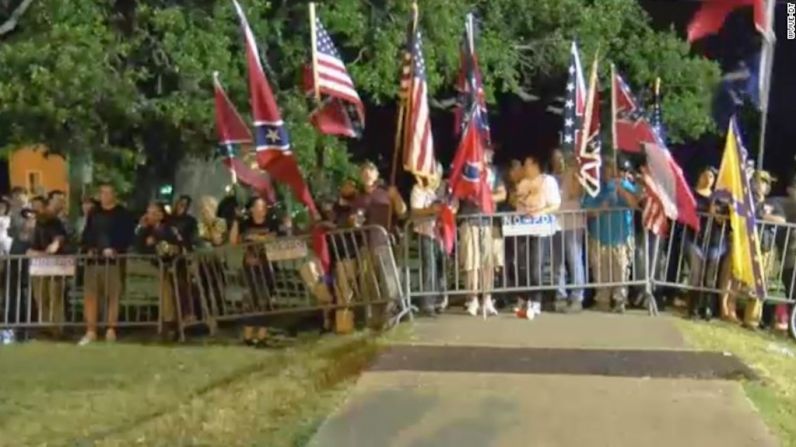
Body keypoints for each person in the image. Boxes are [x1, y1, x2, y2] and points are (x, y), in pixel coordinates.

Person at [79, 183, 135, 345]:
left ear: (114, 195)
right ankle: (91, 330)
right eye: (102, 192)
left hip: (114, 261)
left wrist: (116, 249)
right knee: (91, 295)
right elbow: (87, 234)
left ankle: (111, 328)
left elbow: (127, 236)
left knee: (113, 296)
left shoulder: (123, 214)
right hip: (94, 260)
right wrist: (88, 248)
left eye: (108, 193)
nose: (104, 196)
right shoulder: (94, 213)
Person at [352, 162, 406, 325]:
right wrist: (354, 221)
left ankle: (391, 313)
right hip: (366, 245)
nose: (367, 174)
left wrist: (396, 197)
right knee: (369, 283)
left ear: (376, 175)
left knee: (389, 280)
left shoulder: (385, 194)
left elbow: (402, 212)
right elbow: (356, 220)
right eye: (364, 171)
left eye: (370, 171)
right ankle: (374, 317)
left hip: (385, 242)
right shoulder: (359, 199)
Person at [583, 160, 639, 313]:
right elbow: (586, 210)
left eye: (610, 168)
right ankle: (603, 300)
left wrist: (621, 189)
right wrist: (601, 208)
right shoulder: (594, 187)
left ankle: (620, 300)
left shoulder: (624, 185)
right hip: (599, 236)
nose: (607, 171)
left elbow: (634, 204)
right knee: (600, 270)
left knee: (620, 269)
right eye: (604, 168)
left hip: (620, 236)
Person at [512, 154, 561, 316]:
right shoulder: (523, 183)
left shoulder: (548, 181)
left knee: (535, 266)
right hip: (522, 228)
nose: (525, 168)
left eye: (527, 165)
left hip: (540, 229)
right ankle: (523, 299)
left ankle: (536, 301)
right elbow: (517, 203)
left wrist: (540, 212)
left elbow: (555, 204)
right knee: (521, 265)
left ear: (535, 165)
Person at [135, 201, 186, 337]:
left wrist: (169, 249)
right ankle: (169, 321)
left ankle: (173, 321)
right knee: (165, 285)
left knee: (173, 287)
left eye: (153, 213)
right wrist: (141, 228)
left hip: (172, 265)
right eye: (148, 213)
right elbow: (138, 247)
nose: (149, 216)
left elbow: (180, 245)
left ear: (160, 215)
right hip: (152, 266)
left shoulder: (170, 229)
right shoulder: (145, 230)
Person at [684, 167, 726, 320]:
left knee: (710, 277)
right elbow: (687, 211)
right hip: (694, 239)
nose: (708, 178)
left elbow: (722, 220)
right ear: (700, 176)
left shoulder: (718, 199)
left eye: (711, 176)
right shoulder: (691, 194)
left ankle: (706, 307)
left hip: (714, 242)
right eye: (705, 175)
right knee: (696, 273)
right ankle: (692, 307)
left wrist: (715, 212)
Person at [550, 149, 586, 313]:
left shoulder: (574, 175)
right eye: (555, 159)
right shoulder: (550, 178)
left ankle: (577, 297)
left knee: (574, 260)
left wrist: (573, 175)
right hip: (556, 224)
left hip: (573, 223)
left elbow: (576, 193)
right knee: (558, 262)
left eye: (561, 158)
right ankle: (560, 295)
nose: (559, 162)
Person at [28, 197, 68, 334]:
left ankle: (57, 328)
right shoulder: (36, 224)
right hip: (38, 266)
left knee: (54, 297)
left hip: (54, 265)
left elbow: (59, 239)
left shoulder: (55, 222)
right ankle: (45, 327)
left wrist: (53, 246)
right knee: (40, 297)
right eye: (34, 207)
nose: (36, 210)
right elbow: (31, 248)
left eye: (38, 206)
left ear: (45, 207)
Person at [410, 166, 443, 316]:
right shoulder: (418, 189)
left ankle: (439, 300)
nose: (434, 177)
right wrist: (431, 211)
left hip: (439, 234)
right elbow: (415, 210)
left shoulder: (438, 191)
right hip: (425, 232)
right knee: (429, 267)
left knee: (440, 267)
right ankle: (427, 303)